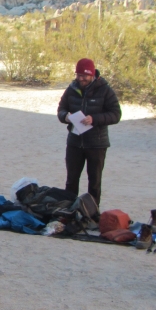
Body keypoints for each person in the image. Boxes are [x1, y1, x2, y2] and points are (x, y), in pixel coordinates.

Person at [57, 58, 121, 205]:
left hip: (97, 144)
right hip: (74, 142)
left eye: (84, 75)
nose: (81, 79)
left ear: (92, 74)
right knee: (71, 180)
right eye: (78, 75)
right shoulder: (71, 89)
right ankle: (69, 211)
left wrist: (95, 119)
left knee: (94, 182)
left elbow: (116, 114)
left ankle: (92, 214)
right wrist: (65, 116)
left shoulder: (105, 90)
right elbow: (61, 109)